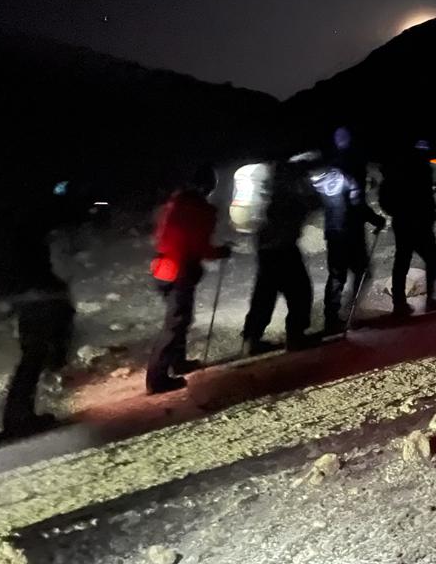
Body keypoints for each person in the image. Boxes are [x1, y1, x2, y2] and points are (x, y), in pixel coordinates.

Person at [0, 181, 80, 433]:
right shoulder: (20, 229)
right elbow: (33, 265)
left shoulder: (0, 230)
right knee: (35, 354)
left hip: (26, 296)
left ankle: (20, 413)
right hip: (35, 295)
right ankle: (18, 416)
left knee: (34, 353)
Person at [147, 165, 231, 394]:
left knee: (179, 320)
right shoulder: (201, 209)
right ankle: (157, 378)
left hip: (161, 268)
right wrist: (220, 252)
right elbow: (200, 246)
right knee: (175, 323)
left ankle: (177, 362)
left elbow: (164, 236)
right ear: (208, 187)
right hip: (179, 269)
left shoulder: (174, 204)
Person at [242, 154, 321, 355]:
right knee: (300, 293)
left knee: (264, 295)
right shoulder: (287, 193)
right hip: (283, 248)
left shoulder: (270, 189)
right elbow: (314, 203)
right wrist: (305, 181)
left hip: (267, 249)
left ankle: (253, 338)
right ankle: (296, 336)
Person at [314, 154, 386, 335]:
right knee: (363, 272)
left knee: (336, 276)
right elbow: (358, 205)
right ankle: (350, 311)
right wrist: (377, 219)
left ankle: (331, 318)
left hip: (333, 232)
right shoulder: (351, 177)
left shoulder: (328, 178)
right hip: (351, 233)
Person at [379, 140, 436, 314]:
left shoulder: (400, 171)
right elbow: (418, 196)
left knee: (402, 260)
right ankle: (430, 299)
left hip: (403, 221)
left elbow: (388, 199)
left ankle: (399, 303)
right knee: (431, 257)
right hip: (417, 222)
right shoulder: (419, 170)